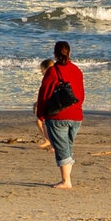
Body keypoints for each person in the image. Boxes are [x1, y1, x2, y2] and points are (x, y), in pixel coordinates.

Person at [34, 41, 84, 189]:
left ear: (55, 54)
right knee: (67, 146)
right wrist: (77, 108)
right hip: (76, 115)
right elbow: (81, 94)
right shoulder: (76, 70)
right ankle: (66, 179)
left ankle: (66, 181)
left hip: (58, 115)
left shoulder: (53, 71)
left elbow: (44, 93)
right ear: (69, 53)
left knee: (63, 148)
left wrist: (41, 114)